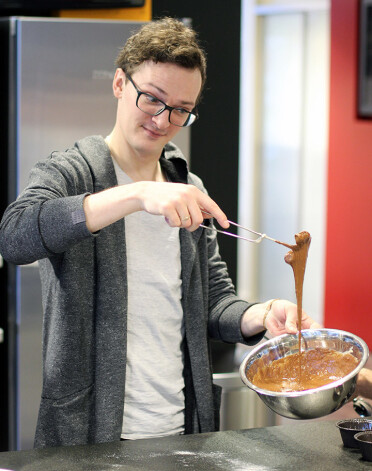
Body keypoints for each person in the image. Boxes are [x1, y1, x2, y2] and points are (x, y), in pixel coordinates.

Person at [0, 17, 320, 448]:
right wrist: (134, 196)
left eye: (181, 110)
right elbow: (15, 235)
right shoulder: (71, 172)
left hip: (181, 432)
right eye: (151, 99)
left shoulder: (189, 189)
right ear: (119, 83)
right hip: (88, 439)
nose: (163, 120)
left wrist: (261, 316)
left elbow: (212, 303)